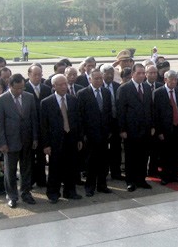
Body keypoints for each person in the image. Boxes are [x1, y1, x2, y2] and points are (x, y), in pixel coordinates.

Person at [0, 74, 38, 208]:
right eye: (17, 88)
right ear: (10, 86)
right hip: (10, 141)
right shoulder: (1, 100)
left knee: (26, 169)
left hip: (27, 140)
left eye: (22, 88)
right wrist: (2, 143)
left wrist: (35, 137)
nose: (20, 91)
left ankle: (26, 192)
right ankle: (12, 196)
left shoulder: (29, 97)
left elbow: (34, 119)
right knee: (10, 170)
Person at [41, 74, 83, 203]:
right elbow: (44, 125)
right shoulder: (47, 102)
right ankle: (53, 193)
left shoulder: (73, 100)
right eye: (60, 84)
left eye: (65, 84)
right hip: (55, 140)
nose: (64, 86)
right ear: (54, 86)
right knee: (55, 168)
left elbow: (78, 120)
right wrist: (46, 144)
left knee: (71, 166)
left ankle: (70, 191)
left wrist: (79, 138)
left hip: (71, 138)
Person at [117, 63, 154, 192]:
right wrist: (122, 130)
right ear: (132, 74)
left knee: (144, 156)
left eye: (143, 73)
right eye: (139, 73)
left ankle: (141, 179)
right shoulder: (124, 89)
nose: (142, 75)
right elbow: (120, 111)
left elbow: (150, 108)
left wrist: (152, 126)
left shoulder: (147, 88)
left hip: (145, 129)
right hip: (131, 130)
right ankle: (130, 181)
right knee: (131, 157)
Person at [77, 69, 113, 197]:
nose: (99, 80)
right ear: (90, 79)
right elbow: (80, 116)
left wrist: (109, 130)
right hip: (90, 135)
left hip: (103, 134)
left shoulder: (106, 92)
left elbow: (108, 112)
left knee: (103, 162)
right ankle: (90, 187)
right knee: (91, 162)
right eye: (96, 78)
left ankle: (102, 185)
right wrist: (83, 135)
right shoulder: (82, 93)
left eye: (100, 78)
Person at [153, 70, 178, 185]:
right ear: (165, 80)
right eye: (171, 79)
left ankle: (175, 174)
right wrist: (159, 131)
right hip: (165, 129)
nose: (173, 82)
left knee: (177, 153)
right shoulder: (158, 93)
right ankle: (165, 176)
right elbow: (156, 114)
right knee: (165, 154)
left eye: (175, 79)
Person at [24, 65, 51, 188]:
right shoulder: (24, 88)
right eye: (35, 75)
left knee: (41, 156)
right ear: (29, 75)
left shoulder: (46, 88)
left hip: (43, 128)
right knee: (28, 157)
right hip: (29, 129)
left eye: (40, 74)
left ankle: (41, 179)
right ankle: (29, 181)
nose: (38, 77)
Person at [101, 64, 124, 180]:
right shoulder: (99, 87)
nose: (110, 75)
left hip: (116, 124)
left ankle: (116, 172)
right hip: (104, 125)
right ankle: (104, 173)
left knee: (116, 149)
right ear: (102, 74)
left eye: (111, 73)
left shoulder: (117, 86)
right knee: (104, 150)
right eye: (107, 73)